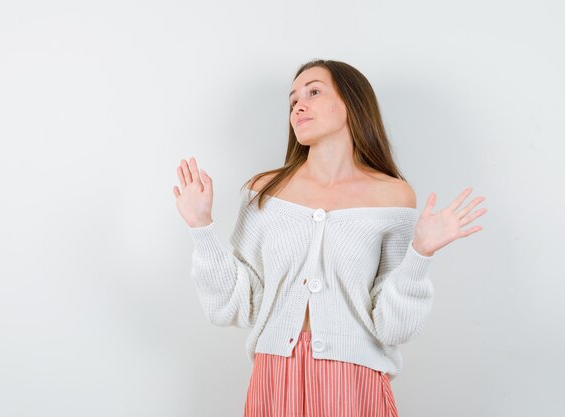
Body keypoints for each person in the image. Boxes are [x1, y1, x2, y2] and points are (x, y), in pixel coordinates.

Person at [173, 59, 487, 417]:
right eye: (293, 101)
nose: (298, 106)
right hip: (275, 379)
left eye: (314, 92)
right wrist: (202, 226)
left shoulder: (393, 197)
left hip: (354, 382)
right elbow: (234, 303)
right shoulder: (264, 192)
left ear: (351, 104)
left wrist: (420, 253)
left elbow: (393, 325)